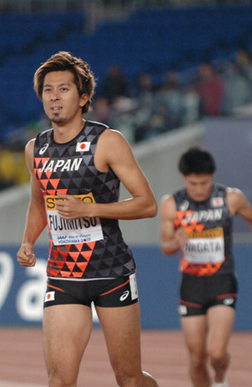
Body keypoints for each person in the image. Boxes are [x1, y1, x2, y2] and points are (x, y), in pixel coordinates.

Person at [16, 51, 159, 387]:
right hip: (64, 275)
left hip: (111, 272)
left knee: (128, 378)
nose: (54, 97)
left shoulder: (107, 141)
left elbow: (147, 204)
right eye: (48, 90)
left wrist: (90, 209)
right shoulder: (35, 149)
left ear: (83, 98)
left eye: (63, 89)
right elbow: (39, 202)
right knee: (60, 380)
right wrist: (27, 241)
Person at [159, 146, 252, 387]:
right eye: (193, 184)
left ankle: (220, 378)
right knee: (197, 359)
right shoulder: (172, 204)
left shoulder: (230, 198)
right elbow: (166, 248)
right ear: (183, 179)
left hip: (222, 280)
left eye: (205, 183)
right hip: (191, 286)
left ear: (213, 177)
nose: (199, 189)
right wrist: (176, 242)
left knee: (217, 353)